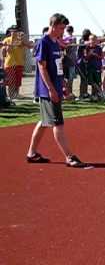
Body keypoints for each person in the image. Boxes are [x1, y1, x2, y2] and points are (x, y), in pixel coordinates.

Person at [26, 13, 86, 167]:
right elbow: (42, 67)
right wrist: (51, 89)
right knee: (57, 123)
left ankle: (32, 153)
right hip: (47, 90)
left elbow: (58, 67)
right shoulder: (44, 42)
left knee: (45, 121)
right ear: (53, 26)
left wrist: (63, 85)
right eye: (60, 28)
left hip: (56, 87)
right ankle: (69, 156)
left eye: (64, 28)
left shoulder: (55, 43)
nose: (62, 31)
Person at [1, 25, 34, 100]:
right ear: (10, 31)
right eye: (13, 31)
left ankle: (16, 95)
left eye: (16, 31)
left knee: (18, 81)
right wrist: (6, 49)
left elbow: (30, 45)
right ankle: (11, 96)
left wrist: (24, 38)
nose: (14, 32)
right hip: (9, 63)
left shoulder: (21, 40)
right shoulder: (6, 40)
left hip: (19, 63)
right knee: (10, 81)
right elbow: (3, 53)